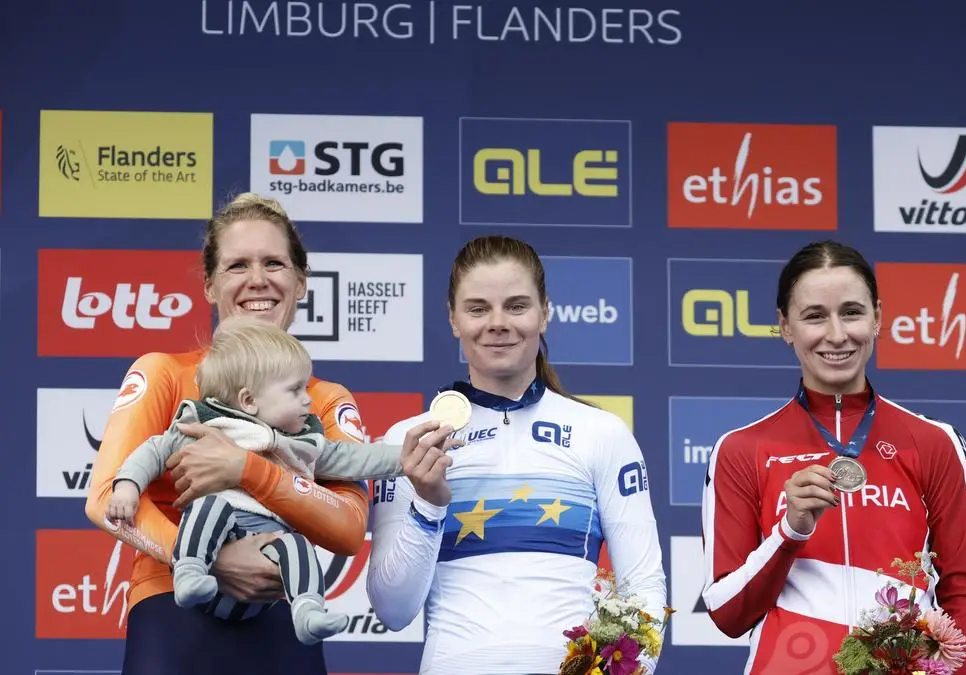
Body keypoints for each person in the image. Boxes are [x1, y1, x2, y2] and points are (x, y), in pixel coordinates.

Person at [84, 193, 373, 675]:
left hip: (283, 617)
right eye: (238, 265)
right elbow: (103, 498)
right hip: (172, 612)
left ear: (301, 281)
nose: (257, 279)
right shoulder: (163, 373)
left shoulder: (324, 399)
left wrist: (249, 469)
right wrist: (207, 559)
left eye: (274, 263)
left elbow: (348, 529)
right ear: (209, 285)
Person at [365, 235, 668, 675]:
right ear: (453, 319)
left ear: (545, 312)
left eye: (516, 306)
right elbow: (393, 610)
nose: (497, 323)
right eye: (477, 308)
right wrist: (428, 504)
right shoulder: (409, 440)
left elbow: (644, 588)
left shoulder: (602, 433)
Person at [699, 240, 966, 675]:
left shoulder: (933, 442)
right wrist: (789, 531)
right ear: (785, 326)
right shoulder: (742, 450)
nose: (837, 335)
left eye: (852, 312)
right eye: (815, 316)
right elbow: (727, 613)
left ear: (878, 317)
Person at [105, 316, 408, 645]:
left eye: (306, 388)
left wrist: (410, 457)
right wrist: (127, 486)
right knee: (210, 505)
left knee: (297, 545)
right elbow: (152, 451)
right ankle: (189, 571)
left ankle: (308, 612)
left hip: (266, 582)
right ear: (248, 400)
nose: (307, 400)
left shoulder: (301, 442)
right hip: (208, 574)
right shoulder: (204, 423)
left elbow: (356, 458)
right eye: (295, 390)